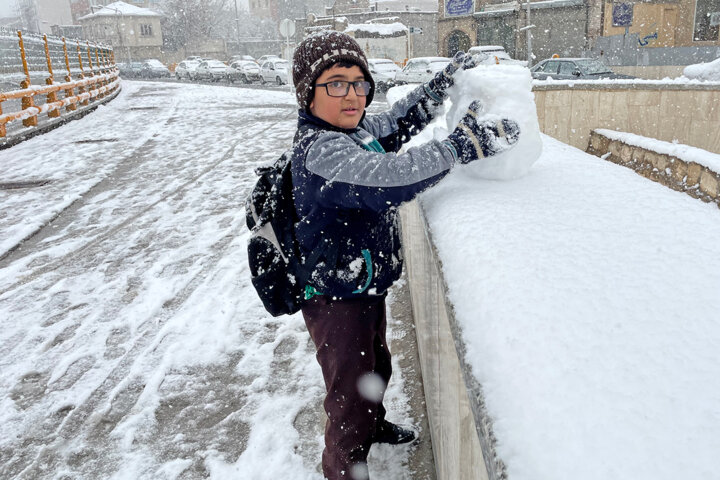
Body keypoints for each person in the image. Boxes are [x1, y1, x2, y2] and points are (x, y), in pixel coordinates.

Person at [289, 31, 520, 480]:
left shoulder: (352, 132)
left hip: (361, 286)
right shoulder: (322, 151)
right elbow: (391, 177)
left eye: (359, 82)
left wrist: (434, 92)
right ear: (308, 93)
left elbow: (395, 124)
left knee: (376, 365)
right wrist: (458, 147)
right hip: (335, 298)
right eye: (335, 83)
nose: (352, 94)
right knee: (347, 401)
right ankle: (344, 467)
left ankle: (372, 427)